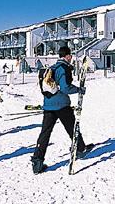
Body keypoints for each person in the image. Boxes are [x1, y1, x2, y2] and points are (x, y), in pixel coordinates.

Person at [31, 46, 93, 175]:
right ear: (68, 56)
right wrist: (79, 90)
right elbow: (65, 88)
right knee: (72, 127)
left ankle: (37, 161)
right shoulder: (64, 68)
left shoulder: (52, 67)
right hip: (62, 105)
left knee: (45, 132)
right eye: (70, 56)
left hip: (48, 105)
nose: (71, 58)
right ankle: (80, 149)